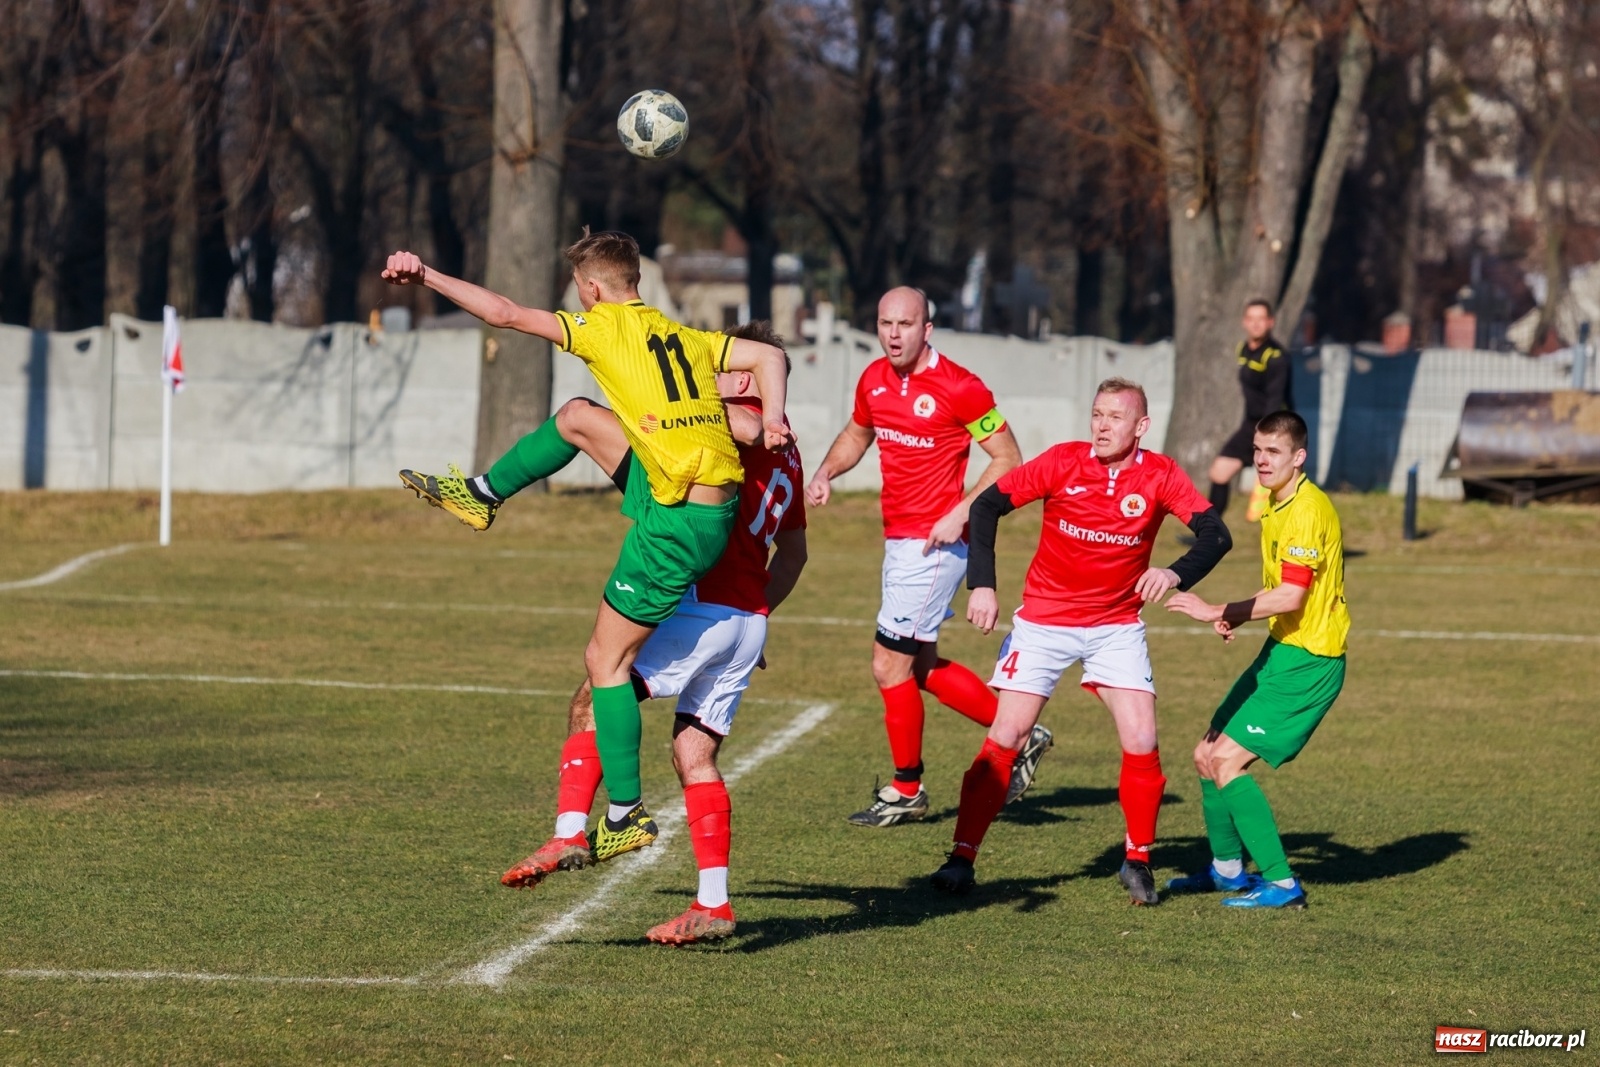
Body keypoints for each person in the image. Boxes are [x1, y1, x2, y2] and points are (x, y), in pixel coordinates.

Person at [382, 232, 792, 869]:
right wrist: (772, 415)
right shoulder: (683, 336)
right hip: (689, 503)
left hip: (678, 524)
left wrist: (427, 274)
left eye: (579, 288)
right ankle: (482, 494)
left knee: (605, 662)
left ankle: (624, 814)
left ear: (594, 289)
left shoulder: (601, 329)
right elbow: (769, 358)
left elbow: (505, 314)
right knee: (576, 415)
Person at [496, 324, 808, 944]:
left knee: (593, 692)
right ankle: (713, 905)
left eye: (715, 367)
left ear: (743, 377)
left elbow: (736, 429)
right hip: (745, 620)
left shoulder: (730, 428)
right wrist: (761, 615)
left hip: (703, 609)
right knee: (695, 755)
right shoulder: (788, 450)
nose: (701, 374)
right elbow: (793, 556)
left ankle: (568, 834)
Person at [929, 378, 1233, 904]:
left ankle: (1137, 859)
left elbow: (1217, 534)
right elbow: (985, 509)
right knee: (1007, 736)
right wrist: (982, 583)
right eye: (1097, 414)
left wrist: (1177, 573)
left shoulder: (1159, 474)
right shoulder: (1062, 462)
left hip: (1115, 627)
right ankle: (962, 856)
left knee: (1142, 739)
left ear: (1141, 427)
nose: (1102, 425)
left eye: (1115, 417)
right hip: (1044, 623)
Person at [803, 287, 1032, 828]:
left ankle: (907, 788)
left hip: (935, 547)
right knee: (919, 665)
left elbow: (1009, 459)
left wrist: (961, 512)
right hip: (898, 542)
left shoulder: (961, 387)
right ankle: (1019, 729)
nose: (894, 334)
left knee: (888, 663)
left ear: (927, 329)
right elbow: (857, 434)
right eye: (885, 323)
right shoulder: (874, 379)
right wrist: (825, 472)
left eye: (905, 324)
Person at [1165, 410, 1348, 909]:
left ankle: (1283, 884)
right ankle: (1227, 872)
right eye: (1257, 450)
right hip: (1282, 650)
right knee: (1206, 754)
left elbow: (1291, 596)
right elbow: (1280, 591)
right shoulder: (1275, 498)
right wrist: (1243, 617)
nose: (1262, 461)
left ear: (1299, 457)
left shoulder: (1308, 509)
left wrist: (1217, 609)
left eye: (1273, 452)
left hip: (1310, 661)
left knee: (1227, 761)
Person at [1207, 300, 1291, 523]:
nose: (1255, 324)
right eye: (1251, 319)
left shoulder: (1275, 357)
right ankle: (1210, 536)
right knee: (1219, 472)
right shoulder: (1243, 350)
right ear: (1244, 322)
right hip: (1250, 424)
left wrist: (1267, 435)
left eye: (1261, 319)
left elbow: (1275, 399)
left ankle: (1303, 537)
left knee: (1285, 489)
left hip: (1273, 426)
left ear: (1270, 322)